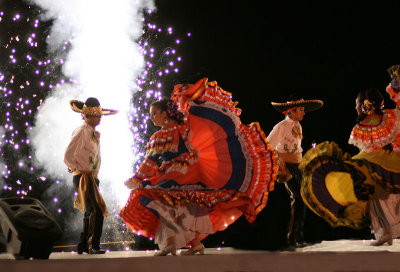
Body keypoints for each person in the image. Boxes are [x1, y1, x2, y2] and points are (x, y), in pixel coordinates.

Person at [120, 78, 278, 256]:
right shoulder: (183, 128)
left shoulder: (161, 135)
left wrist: (138, 179)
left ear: (165, 114)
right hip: (191, 171)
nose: (151, 117)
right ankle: (194, 244)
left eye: (154, 113)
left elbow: (151, 161)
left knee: (150, 197)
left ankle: (171, 243)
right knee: (181, 208)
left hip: (176, 174)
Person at [299, 65, 400, 246]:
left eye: (357, 104)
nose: (356, 107)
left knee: (384, 197)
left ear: (365, 104)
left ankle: (385, 232)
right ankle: (384, 232)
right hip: (374, 162)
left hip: (385, 160)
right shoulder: (371, 123)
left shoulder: (389, 117)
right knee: (375, 198)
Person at [267, 96, 323, 248]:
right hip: (286, 166)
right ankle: (292, 237)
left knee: (303, 199)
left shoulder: (298, 125)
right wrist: (280, 164)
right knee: (298, 197)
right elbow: (268, 145)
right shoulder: (281, 126)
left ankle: (298, 237)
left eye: (304, 110)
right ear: (291, 111)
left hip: (298, 166)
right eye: (301, 110)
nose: (304, 113)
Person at [64, 97, 118, 254]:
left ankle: (83, 245)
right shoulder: (82, 131)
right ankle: (91, 245)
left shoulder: (91, 132)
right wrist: (75, 167)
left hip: (91, 177)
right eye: (96, 115)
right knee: (96, 210)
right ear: (86, 116)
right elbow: (68, 154)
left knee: (90, 210)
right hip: (84, 176)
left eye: (100, 115)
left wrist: (76, 166)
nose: (99, 118)